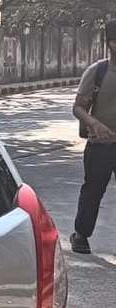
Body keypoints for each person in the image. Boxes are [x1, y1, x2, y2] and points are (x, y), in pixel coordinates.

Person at [72, 20, 116, 255]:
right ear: (112, 43)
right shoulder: (97, 72)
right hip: (100, 147)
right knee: (92, 192)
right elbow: (78, 107)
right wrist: (94, 123)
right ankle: (81, 235)